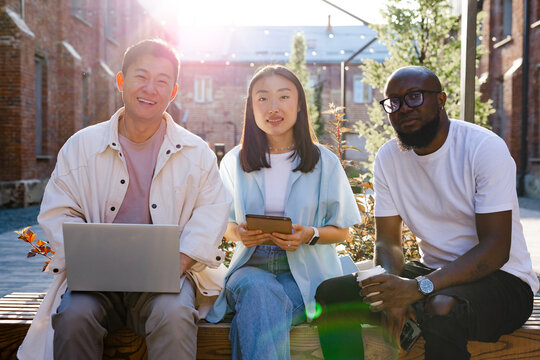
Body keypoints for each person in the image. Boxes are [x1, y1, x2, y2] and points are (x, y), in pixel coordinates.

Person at [18, 39, 231, 360]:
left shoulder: (196, 152)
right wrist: (88, 259)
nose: (150, 88)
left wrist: (181, 260)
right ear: (121, 81)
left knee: (174, 317)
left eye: (162, 81)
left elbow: (212, 212)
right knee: (74, 317)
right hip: (94, 283)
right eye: (141, 76)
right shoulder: (81, 146)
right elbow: (58, 212)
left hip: (166, 281)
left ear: (173, 92)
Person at [314, 66, 539, 360]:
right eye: (393, 102)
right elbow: (388, 243)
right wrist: (391, 291)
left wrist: (419, 288)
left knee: (441, 307)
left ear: (441, 100)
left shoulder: (483, 148)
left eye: (415, 97)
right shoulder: (388, 158)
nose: (403, 108)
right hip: (434, 273)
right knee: (331, 295)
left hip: (503, 281)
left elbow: (495, 250)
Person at [205, 64, 361, 360]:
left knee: (259, 308)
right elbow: (223, 224)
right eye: (262, 98)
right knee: (258, 289)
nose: (272, 107)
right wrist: (239, 233)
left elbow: (343, 231)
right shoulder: (234, 163)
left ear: (299, 104)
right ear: (251, 108)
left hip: (303, 275)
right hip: (249, 269)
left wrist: (309, 235)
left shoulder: (324, 162)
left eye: (283, 97)